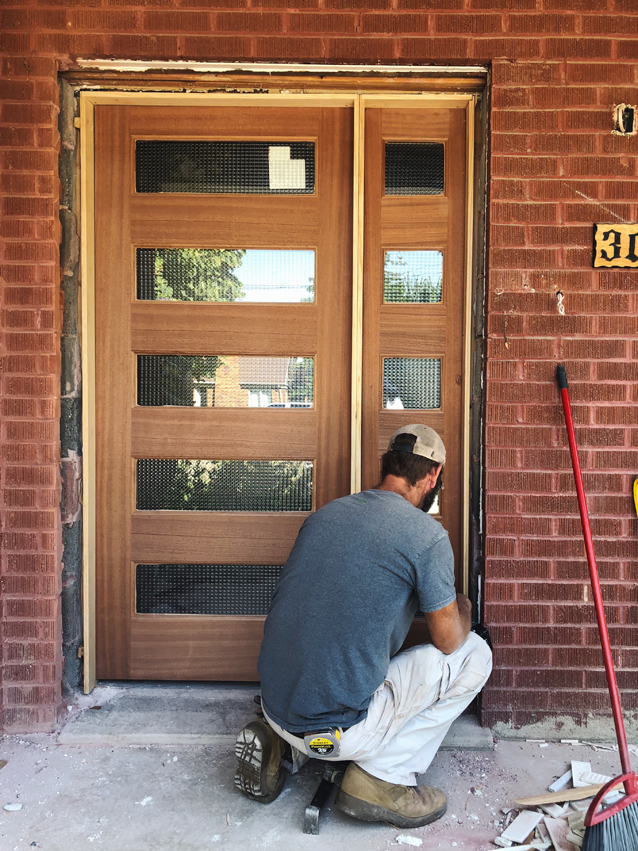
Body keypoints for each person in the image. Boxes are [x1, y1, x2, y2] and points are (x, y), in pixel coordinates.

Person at [234, 424, 492, 828]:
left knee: (333, 662)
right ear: (433, 476)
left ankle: (283, 747)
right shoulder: (427, 535)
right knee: (476, 653)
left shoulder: (325, 515)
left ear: (387, 465)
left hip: (275, 702)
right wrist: (463, 605)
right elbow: (447, 640)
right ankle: (382, 779)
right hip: (340, 732)